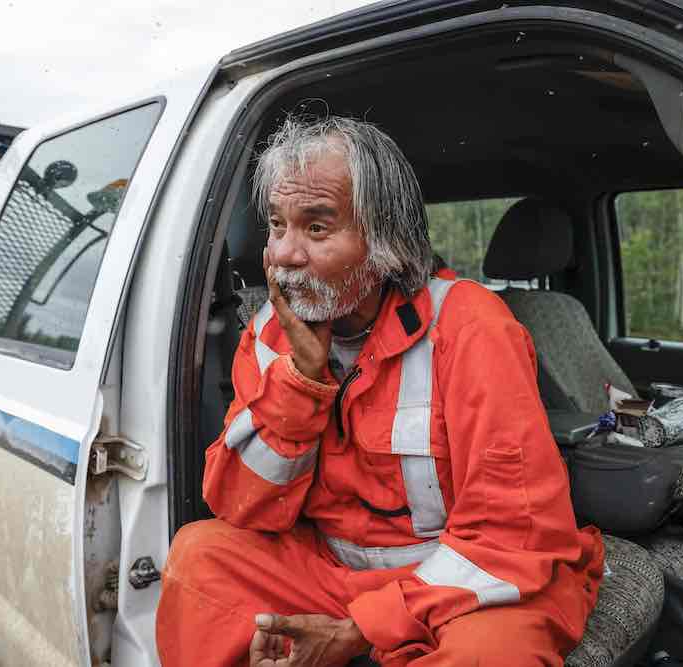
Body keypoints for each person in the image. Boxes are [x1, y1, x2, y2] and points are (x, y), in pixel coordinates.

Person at [156, 116, 604, 667]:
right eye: (277, 226)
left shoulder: (471, 327)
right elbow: (241, 508)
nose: (285, 255)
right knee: (200, 557)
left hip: (457, 586)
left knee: (492, 655)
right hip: (331, 573)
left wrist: (362, 628)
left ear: (384, 240)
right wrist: (302, 380)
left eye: (317, 229)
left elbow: (511, 533)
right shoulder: (269, 335)